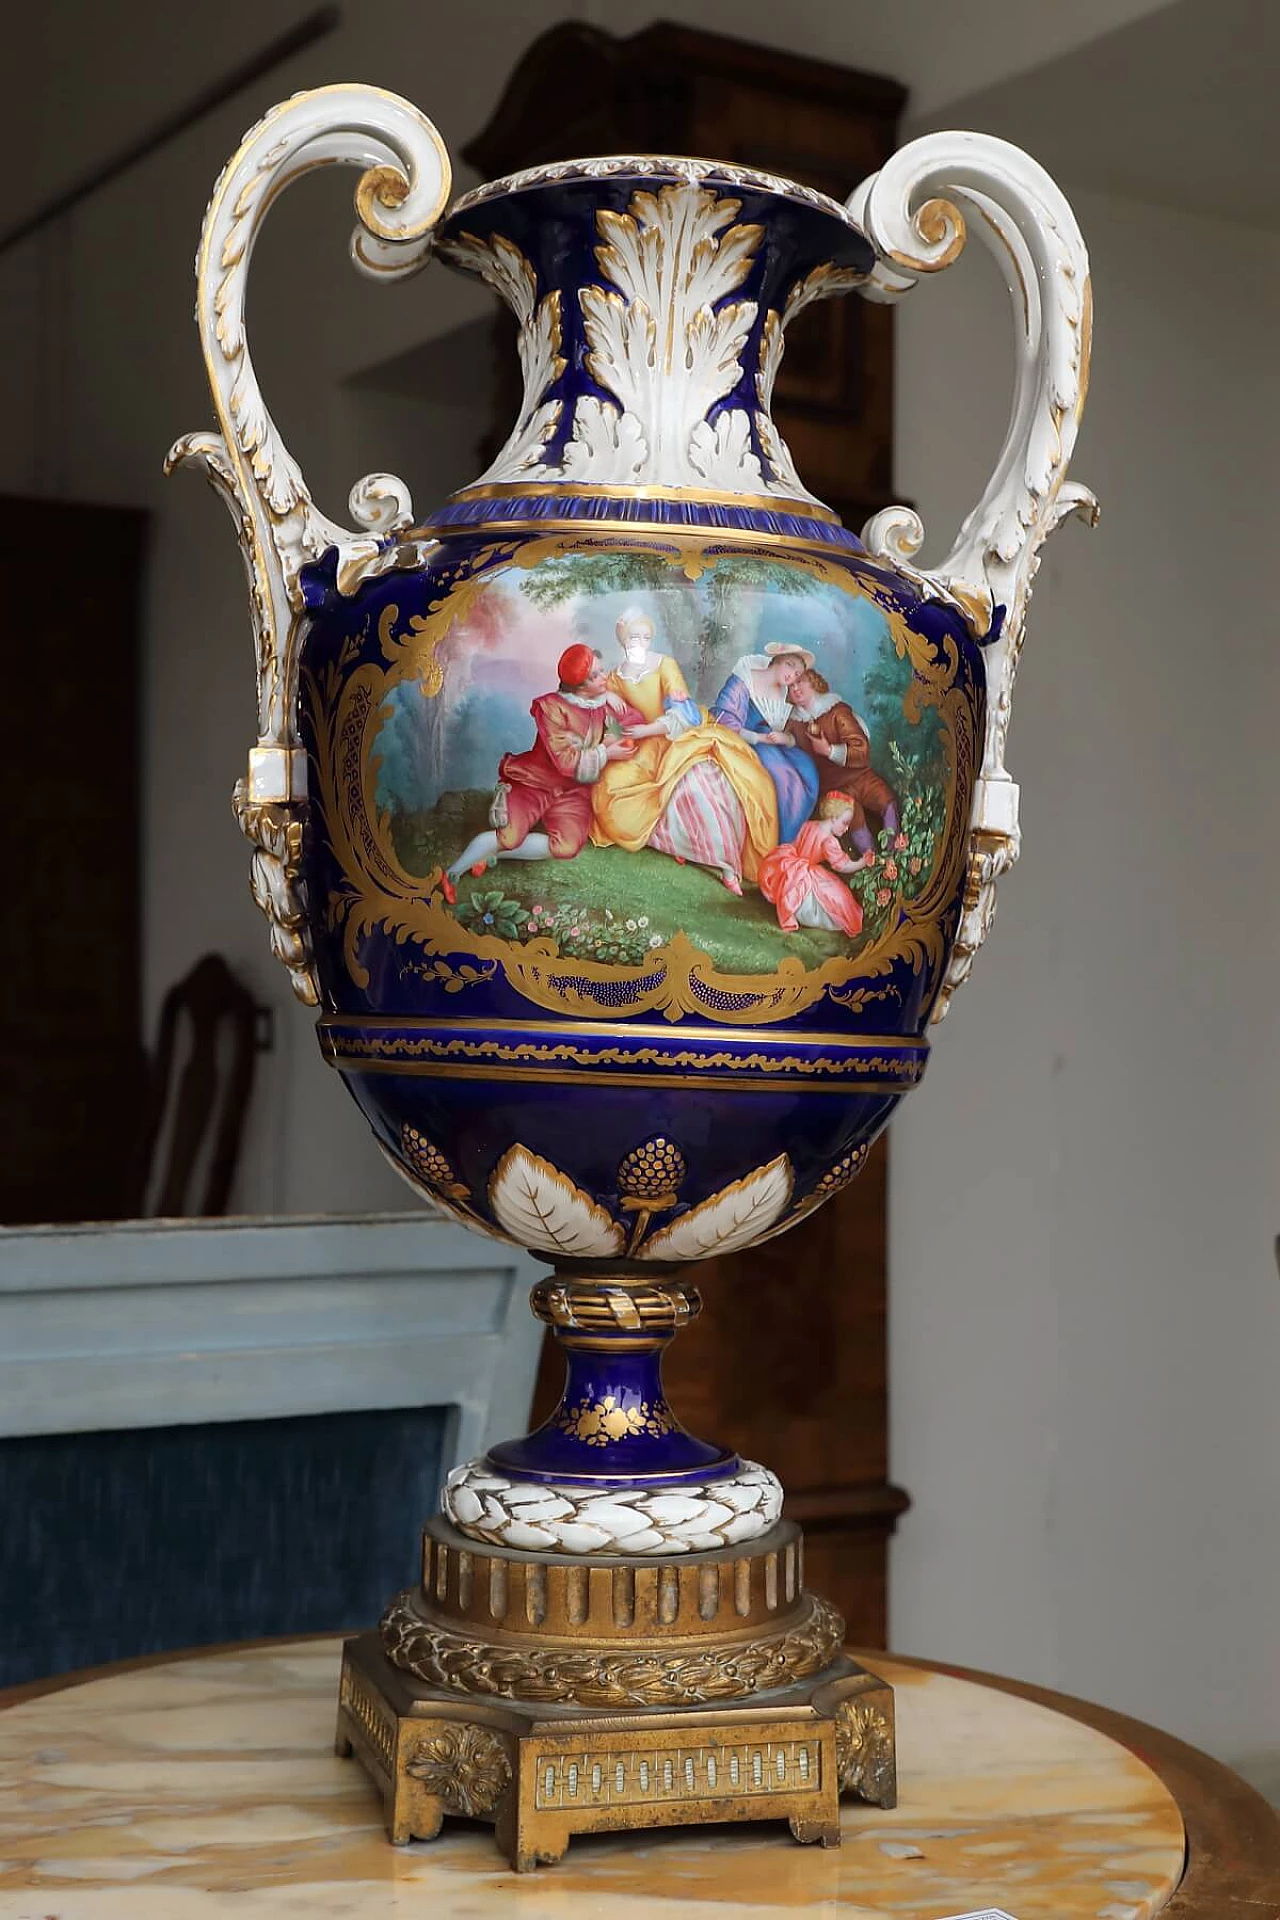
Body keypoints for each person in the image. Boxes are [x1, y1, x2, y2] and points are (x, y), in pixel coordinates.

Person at [590, 609, 779, 894]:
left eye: (645, 637)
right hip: (641, 750)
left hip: (679, 739)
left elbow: (684, 715)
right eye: (633, 637)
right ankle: (685, 847)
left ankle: (726, 865)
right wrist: (608, 696)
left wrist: (646, 730)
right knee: (612, 792)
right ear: (622, 638)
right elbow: (613, 719)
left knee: (701, 784)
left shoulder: (664, 664)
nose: (639, 642)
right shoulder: (615, 677)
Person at [445, 644, 641, 889]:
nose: (604, 679)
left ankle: (489, 856)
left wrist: (615, 701)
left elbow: (636, 720)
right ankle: (452, 874)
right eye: (596, 676)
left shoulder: (602, 700)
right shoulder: (551, 708)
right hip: (535, 782)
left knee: (567, 846)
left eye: (602, 671)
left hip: (572, 791)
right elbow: (566, 762)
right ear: (579, 687)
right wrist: (606, 752)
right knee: (510, 836)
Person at [786, 665, 899, 862]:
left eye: (800, 681)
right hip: (831, 787)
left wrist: (830, 751)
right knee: (852, 818)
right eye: (790, 686)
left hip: (860, 775)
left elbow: (861, 748)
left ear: (813, 682)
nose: (795, 688)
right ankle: (872, 862)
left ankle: (895, 853)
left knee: (886, 800)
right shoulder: (793, 724)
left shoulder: (837, 712)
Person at [710, 643, 821, 843]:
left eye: (797, 674)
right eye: (789, 665)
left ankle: (788, 840)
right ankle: (781, 842)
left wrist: (787, 739)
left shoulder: (788, 694)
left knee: (807, 770)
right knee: (784, 777)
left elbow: (791, 730)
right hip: (745, 739)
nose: (792, 676)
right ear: (777, 658)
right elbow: (726, 723)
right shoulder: (744, 678)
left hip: (773, 743)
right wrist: (758, 738)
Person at [757, 793, 865, 937]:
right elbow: (843, 866)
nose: (846, 829)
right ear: (833, 818)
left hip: (792, 868)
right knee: (839, 899)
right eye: (845, 823)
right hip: (805, 874)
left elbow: (796, 845)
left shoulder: (808, 825)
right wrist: (863, 862)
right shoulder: (829, 841)